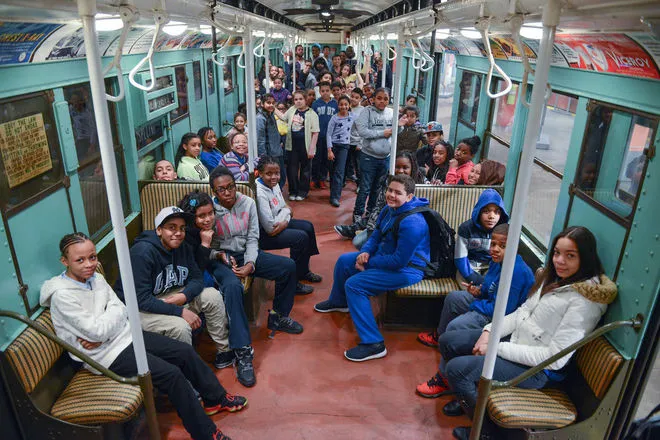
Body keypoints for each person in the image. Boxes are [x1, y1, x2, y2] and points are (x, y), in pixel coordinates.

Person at [41, 233, 247, 440]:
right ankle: (205, 434)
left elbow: (120, 309)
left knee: (183, 351)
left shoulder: (96, 278)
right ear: (64, 261)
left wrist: (106, 325)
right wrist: (107, 325)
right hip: (103, 355)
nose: (89, 264)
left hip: (124, 336)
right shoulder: (62, 296)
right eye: (80, 260)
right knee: (171, 375)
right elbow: (98, 331)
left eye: (93, 257)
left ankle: (215, 399)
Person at [435, 226, 617, 440]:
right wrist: (489, 331)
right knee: (448, 341)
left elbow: (554, 359)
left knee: (457, 370)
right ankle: (467, 396)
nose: (559, 260)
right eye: (557, 253)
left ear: (585, 258)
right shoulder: (557, 280)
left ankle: (487, 432)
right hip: (518, 342)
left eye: (570, 256)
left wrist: (496, 348)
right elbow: (523, 312)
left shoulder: (585, 302)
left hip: (538, 370)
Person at [315, 174, 431, 361]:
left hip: (408, 270)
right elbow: (376, 235)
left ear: (409, 197)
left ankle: (373, 343)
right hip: (385, 257)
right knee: (345, 261)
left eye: (398, 193)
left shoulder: (413, 223)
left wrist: (367, 263)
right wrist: (366, 252)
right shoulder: (388, 210)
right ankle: (339, 302)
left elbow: (399, 261)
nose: (391, 195)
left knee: (355, 284)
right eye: (390, 190)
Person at [416, 223, 535, 398]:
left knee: (456, 326)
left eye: (503, 246)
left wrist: (475, 304)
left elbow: (501, 311)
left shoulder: (516, 272)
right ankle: (440, 338)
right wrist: (478, 291)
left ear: (515, 248)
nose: (495, 249)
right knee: (454, 298)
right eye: (493, 244)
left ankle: (444, 378)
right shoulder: (498, 262)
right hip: (487, 303)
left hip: (498, 317)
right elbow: (489, 289)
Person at [114, 207, 231, 369]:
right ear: (159, 230)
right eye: (172, 227)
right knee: (180, 327)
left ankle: (223, 351)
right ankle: (189, 374)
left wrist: (184, 296)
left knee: (212, 295)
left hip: (169, 295)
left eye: (182, 228)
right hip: (137, 309)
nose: (178, 233)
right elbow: (140, 299)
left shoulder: (182, 247)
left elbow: (196, 278)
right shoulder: (142, 253)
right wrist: (180, 311)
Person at [210, 166, 306, 345]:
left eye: (231, 186)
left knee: (288, 267)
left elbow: (253, 238)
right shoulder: (210, 210)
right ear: (214, 191)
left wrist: (250, 264)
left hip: (248, 252)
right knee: (232, 286)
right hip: (223, 258)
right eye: (221, 189)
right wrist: (219, 255)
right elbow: (209, 246)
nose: (228, 192)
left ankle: (279, 316)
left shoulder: (247, 203)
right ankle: (237, 338)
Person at [335, 152, 425, 250]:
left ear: (412, 168)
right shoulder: (388, 181)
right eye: (397, 167)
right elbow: (379, 207)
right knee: (358, 242)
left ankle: (355, 229)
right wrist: (372, 229)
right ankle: (359, 229)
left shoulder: (420, 184)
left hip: (405, 225)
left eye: (405, 167)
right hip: (386, 221)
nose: (400, 171)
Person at [256, 156, 322, 287]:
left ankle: (303, 272)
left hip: (279, 220)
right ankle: (294, 283)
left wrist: (285, 215)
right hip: (264, 234)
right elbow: (270, 229)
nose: (274, 177)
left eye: (277, 173)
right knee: (300, 238)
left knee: (308, 227)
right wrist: (286, 217)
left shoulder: (273, 185)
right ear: (260, 173)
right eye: (269, 174)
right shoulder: (260, 192)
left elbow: (284, 206)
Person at [353, 87, 394, 225]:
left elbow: (395, 132)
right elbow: (363, 131)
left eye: (386, 99)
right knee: (365, 187)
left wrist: (399, 126)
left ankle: (371, 212)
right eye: (379, 98)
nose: (382, 101)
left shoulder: (391, 113)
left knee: (378, 188)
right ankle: (358, 213)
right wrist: (382, 133)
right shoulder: (367, 112)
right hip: (368, 157)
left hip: (385, 158)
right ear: (373, 99)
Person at [454, 189, 509, 285]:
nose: (491, 216)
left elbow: (504, 258)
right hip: (469, 267)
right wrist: (473, 278)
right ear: (479, 212)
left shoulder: (503, 231)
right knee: (469, 289)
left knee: (492, 289)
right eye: (486, 211)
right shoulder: (466, 228)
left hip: (492, 267)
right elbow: (460, 258)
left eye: (496, 212)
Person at [278, 90, 320, 201]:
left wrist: (312, 149)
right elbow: (283, 117)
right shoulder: (292, 110)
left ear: (306, 100)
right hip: (292, 145)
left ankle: (302, 191)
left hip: (305, 146)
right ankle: (293, 190)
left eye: (301, 99)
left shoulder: (312, 114)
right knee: (292, 169)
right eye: (296, 99)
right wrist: (273, 108)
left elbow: (315, 132)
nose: (298, 101)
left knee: (305, 170)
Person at [326, 96, 355, 207]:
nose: (343, 107)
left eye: (346, 104)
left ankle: (335, 197)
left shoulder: (352, 116)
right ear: (338, 106)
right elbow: (328, 134)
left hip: (344, 147)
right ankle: (332, 193)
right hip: (333, 146)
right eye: (341, 104)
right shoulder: (334, 118)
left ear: (349, 105)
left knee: (339, 172)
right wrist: (329, 150)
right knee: (333, 172)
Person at [311, 81, 338, 190]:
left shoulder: (335, 104)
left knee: (326, 159)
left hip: (330, 137)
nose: (325, 93)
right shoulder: (316, 104)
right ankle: (314, 179)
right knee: (316, 158)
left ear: (331, 91)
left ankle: (322, 179)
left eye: (327, 91)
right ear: (319, 91)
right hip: (318, 136)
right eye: (323, 91)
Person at [256, 93, 286, 188]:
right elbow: (260, 139)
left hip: (277, 151)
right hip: (270, 154)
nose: (271, 105)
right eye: (268, 103)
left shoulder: (271, 114)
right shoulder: (260, 118)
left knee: (281, 177)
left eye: (273, 103)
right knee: (274, 180)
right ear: (262, 104)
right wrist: (264, 157)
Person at [345, 87, 365, 184]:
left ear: (360, 99)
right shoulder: (346, 107)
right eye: (352, 96)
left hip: (357, 142)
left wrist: (360, 144)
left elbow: (364, 128)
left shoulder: (363, 110)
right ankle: (343, 181)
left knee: (358, 165)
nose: (353, 99)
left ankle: (359, 184)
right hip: (346, 141)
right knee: (345, 163)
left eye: (356, 97)